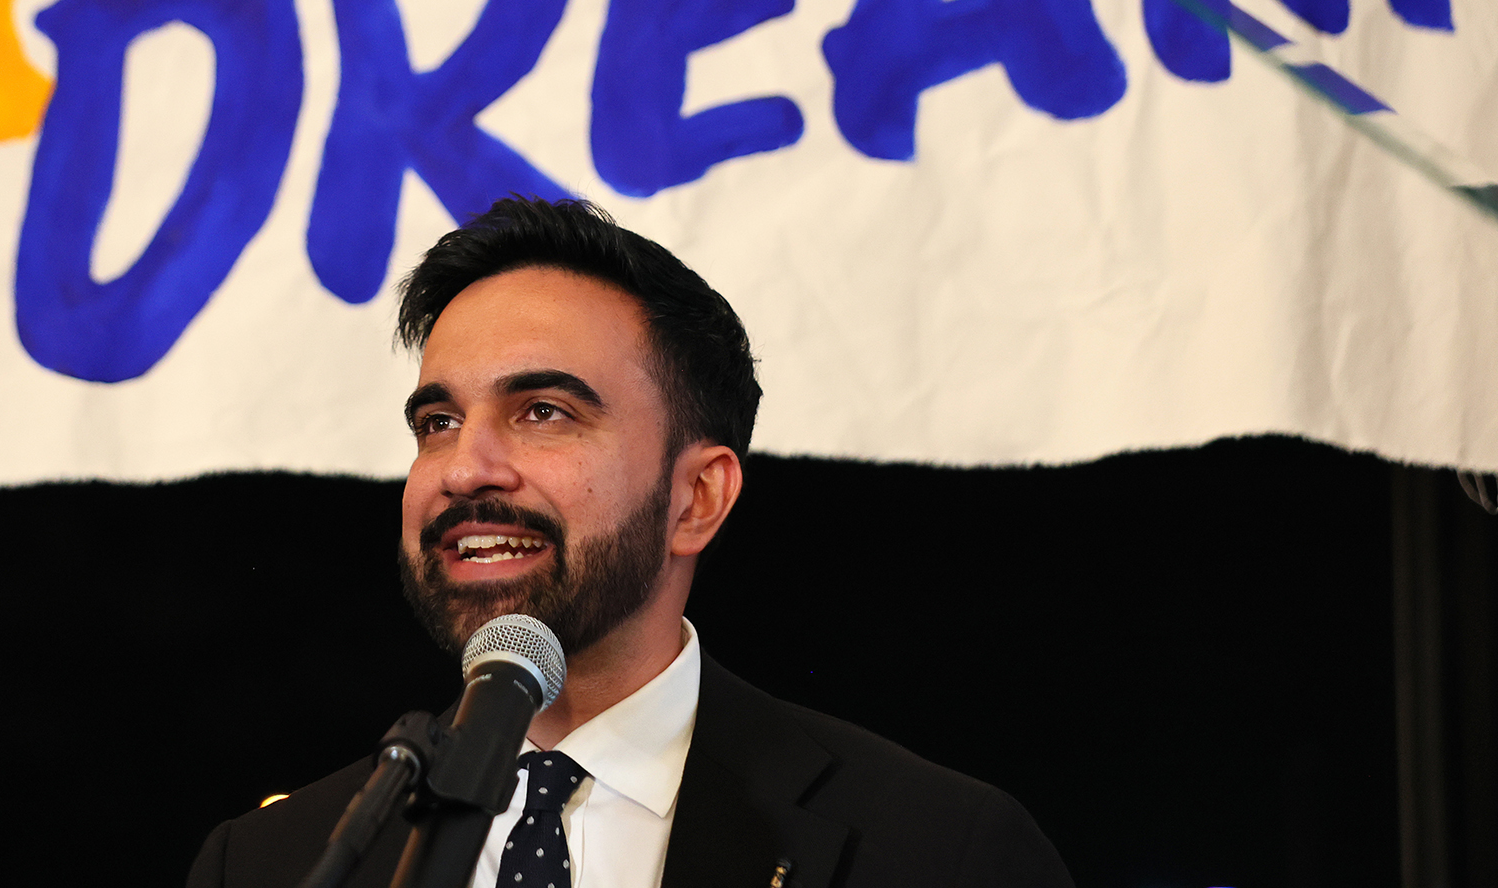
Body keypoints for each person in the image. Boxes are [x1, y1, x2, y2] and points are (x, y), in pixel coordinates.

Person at [188, 197, 1073, 888]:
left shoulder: (935, 848)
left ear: (697, 496)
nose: (463, 468)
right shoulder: (271, 860)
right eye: (438, 419)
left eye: (543, 411)